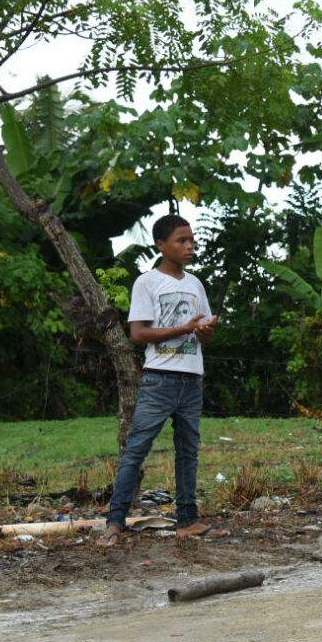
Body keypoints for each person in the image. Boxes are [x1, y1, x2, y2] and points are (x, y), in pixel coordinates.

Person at [98, 214, 224, 547]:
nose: (189, 246)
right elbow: (138, 334)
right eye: (181, 240)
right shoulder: (147, 283)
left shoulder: (195, 284)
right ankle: (114, 522)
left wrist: (206, 330)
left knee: (188, 452)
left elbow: (203, 335)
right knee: (137, 450)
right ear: (161, 245)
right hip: (159, 379)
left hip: (191, 379)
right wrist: (185, 328)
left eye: (191, 240)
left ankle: (187, 521)